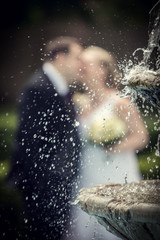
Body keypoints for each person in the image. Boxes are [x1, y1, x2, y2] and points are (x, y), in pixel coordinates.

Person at [7, 36, 85, 240]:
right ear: (60, 58)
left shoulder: (56, 85)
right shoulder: (38, 88)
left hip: (55, 184)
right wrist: (48, 185)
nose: (81, 63)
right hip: (43, 187)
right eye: (77, 57)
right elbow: (29, 142)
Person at [68, 46, 149, 240]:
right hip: (85, 172)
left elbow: (141, 136)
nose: (80, 66)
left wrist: (113, 147)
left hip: (114, 170)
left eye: (86, 63)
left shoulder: (120, 101)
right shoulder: (79, 102)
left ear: (102, 69)